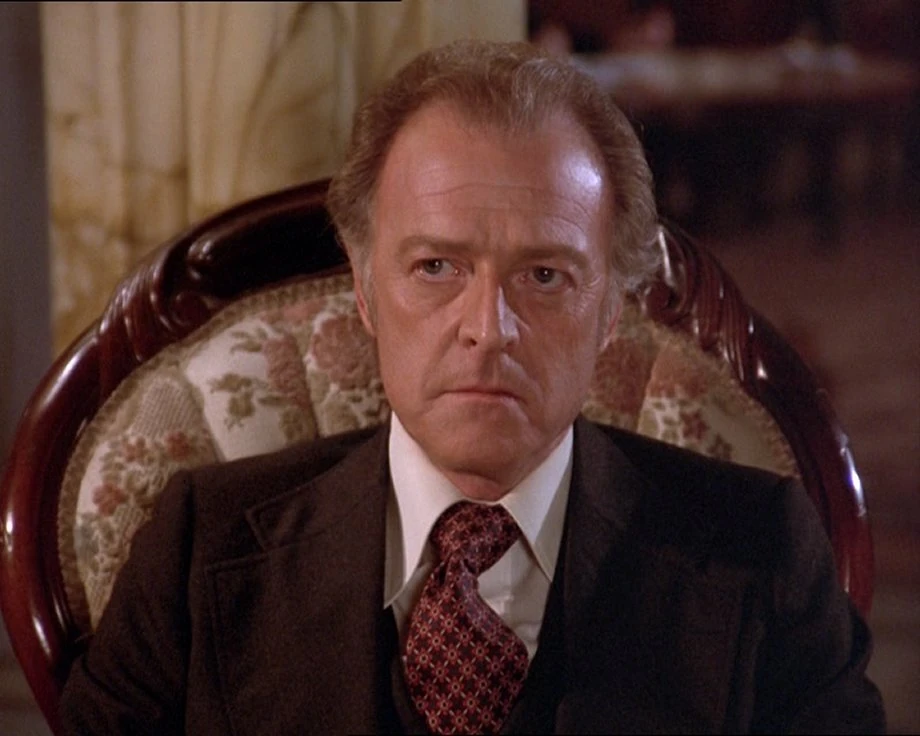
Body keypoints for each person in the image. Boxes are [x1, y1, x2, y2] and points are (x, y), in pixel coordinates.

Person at [59, 39, 885, 735]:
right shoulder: (201, 547)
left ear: (611, 312)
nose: (488, 327)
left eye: (545, 276)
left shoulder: (761, 551)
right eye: (436, 267)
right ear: (365, 291)